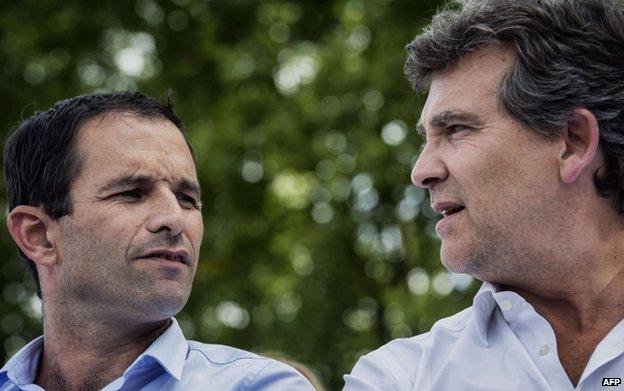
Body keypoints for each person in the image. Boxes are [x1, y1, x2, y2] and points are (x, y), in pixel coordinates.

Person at [344, 0, 624, 389]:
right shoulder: (399, 379)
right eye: (427, 138)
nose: (422, 172)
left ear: (573, 142)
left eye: (456, 129)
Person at [0, 91, 315, 390]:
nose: (175, 219)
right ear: (39, 236)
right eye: (132, 193)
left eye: (187, 198)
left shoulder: (258, 386)